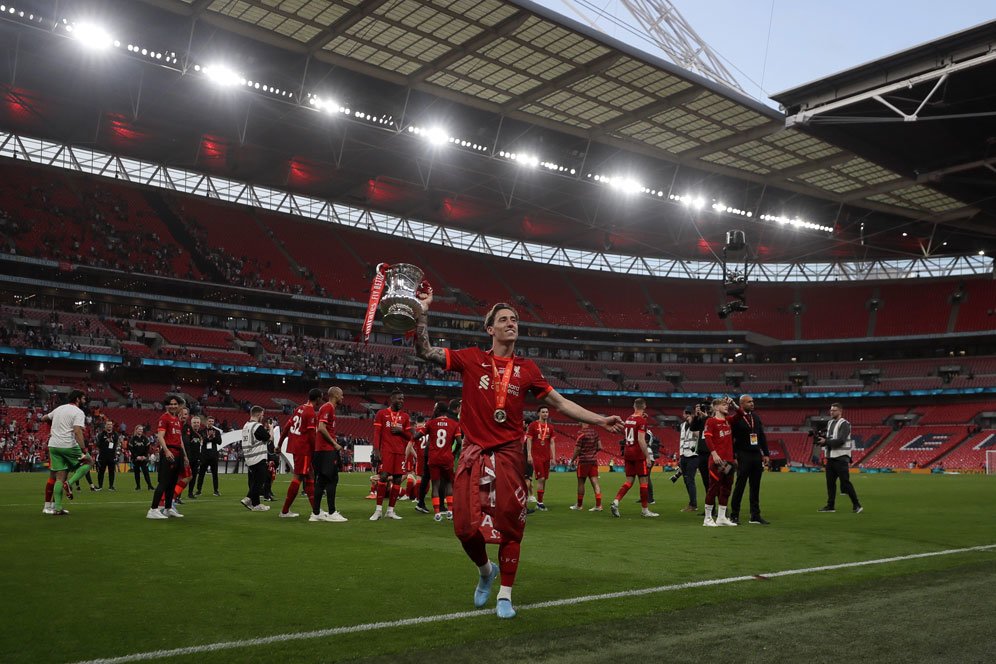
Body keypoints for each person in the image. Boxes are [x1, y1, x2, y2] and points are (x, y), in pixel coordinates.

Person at [415, 297, 623, 619]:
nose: (511, 323)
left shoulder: (527, 369)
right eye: (504, 320)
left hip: (510, 454)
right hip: (473, 452)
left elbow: (559, 402)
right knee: (464, 530)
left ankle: (505, 595)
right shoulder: (470, 359)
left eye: (514, 319)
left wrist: (599, 419)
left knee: (511, 528)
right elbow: (425, 352)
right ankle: (486, 571)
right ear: (490, 329)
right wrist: (422, 313)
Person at [42, 390, 92, 516]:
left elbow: (44, 418)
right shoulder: (78, 412)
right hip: (67, 445)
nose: (85, 401)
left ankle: (58, 508)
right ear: (77, 399)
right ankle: (69, 484)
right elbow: (77, 431)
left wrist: (52, 426)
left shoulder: (59, 409)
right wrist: (83, 449)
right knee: (89, 461)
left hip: (53, 445)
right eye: (83, 399)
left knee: (60, 476)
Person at [610, 398, 658, 518]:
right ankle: (645, 510)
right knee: (643, 481)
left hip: (627, 452)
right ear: (644, 406)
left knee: (629, 481)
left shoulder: (628, 419)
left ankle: (616, 501)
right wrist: (647, 456)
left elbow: (634, 428)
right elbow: (641, 440)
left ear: (634, 406)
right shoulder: (642, 421)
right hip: (638, 453)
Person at [277, 388, 322, 518]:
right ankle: (285, 511)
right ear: (318, 398)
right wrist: (316, 450)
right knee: (298, 477)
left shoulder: (299, 409)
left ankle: (316, 511)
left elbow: (287, 426)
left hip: (296, 445)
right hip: (304, 448)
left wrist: (279, 444)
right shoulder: (310, 413)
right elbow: (311, 436)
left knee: (309, 475)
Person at [416, 400, 461, 522]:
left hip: (433, 456)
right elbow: (460, 441)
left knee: (433, 484)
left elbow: (417, 436)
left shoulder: (431, 423)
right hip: (447, 457)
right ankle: (450, 512)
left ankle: (436, 513)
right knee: (448, 483)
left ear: (437, 410)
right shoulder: (454, 423)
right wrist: (454, 452)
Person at [728, 395, 770, 525]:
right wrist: (734, 456)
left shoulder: (755, 417)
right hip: (743, 454)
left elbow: (761, 436)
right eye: (749, 402)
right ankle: (734, 515)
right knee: (740, 485)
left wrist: (766, 453)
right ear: (741, 404)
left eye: (753, 401)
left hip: (756, 455)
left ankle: (755, 515)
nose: (752, 403)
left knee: (755, 486)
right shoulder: (737, 418)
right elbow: (731, 439)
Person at [370, 389, 412, 521]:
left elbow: (410, 436)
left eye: (403, 399)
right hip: (386, 451)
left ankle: (390, 511)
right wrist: (376, 450)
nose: (401, 401)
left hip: (399, 452)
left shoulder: (405, 417)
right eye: (399, 398)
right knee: (383, 477)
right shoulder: (381, 414)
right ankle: (378, 510)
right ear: (392, 398)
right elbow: (377, 433)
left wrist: (401, 431)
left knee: (398, 479)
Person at [147, 395, 190, 520]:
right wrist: (166, 451)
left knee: (172, 483)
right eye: (171, 404)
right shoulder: (164, 418)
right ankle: (153, 509)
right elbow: (160, 436)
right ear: (167, 405)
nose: (173, 406)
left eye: (175, 404)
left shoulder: (177, 419)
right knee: (164, 482)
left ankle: (168, 508)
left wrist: (185, 456)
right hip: (169, 452)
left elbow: (180, 439)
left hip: (178, 453)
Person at [817, 403, 863, 514]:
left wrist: (826, 441)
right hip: (831, 457)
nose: (831, 412)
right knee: (830, 483)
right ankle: (830, 506)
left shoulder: (845, 423)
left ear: (840, 411)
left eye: (834, 410)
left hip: (841, 457)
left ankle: (856, 505)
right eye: (831, 410)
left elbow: (841, 440)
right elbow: (830, 439)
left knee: (845, 483)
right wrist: (823, 442)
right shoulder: (830, 422)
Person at [312, 386, 348, 522]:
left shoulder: (326, 408)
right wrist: (334, 444)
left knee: (321, 481)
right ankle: (332, 513)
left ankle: (316, 513)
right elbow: (321, 427)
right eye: (341, 395)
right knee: (332, 479)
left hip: (320, 450)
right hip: (326, 450)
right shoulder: (328, 407)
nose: (342, 398)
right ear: (336, 395)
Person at [702, 397, 737, 527]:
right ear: (716, 407)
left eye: (727, 405)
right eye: (724, 405)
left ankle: (721, 518)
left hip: (729, 461)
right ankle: (707, 518)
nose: (727, 407)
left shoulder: (728, 421)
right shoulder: (711, 421)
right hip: (717, 461)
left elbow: (741, 414)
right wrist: (714, 453)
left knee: (726, 489)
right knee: (713, 488)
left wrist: (733, 403)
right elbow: (708, 439)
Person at [239, 406, 272, 512]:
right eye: (262, 415)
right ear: (258, 415)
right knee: (260, 480)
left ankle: (255, 503)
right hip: (258, 457)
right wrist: (271, 428)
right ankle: (249, 499)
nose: (263, 417)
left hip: (249, 457)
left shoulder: (246, 425)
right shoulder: (257, 426)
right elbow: (269, 438)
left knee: (256, 480)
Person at [525, 406, 556, 511]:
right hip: (536, 456)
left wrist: (553, 457)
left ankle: (540, 501)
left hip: (546, 456)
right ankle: (539, 503)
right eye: (543, 412)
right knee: (541, 478)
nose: (545, 414)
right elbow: (529, 440)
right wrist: (529, 454)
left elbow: (552, 442)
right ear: (538, 413)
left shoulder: (550, 427)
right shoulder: (533, 425)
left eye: (547, 412)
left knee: (544, 479)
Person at [569, 422, 603, 511]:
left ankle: (579, 505)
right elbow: (600, 447)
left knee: (581, 483)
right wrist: (592, 453)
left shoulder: (581, 433)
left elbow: (578, 449)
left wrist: (572, 460)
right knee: (595, 483)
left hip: (583, 462)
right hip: (593, 461)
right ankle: (599, 505)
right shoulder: (595, 433)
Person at [677, 407, 701, 513]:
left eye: (684, 413)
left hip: (693, 455)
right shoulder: (682, 425)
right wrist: (680, 456)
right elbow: (682, 441)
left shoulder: (697, 423)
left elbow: (698, 436)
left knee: (690, 480)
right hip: (684, 456)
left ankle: (693, 504)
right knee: (686, 480)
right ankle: (691, 503)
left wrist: (692, 424)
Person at [195, 424, 221, 497]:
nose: (211, 423)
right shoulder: (201, 431)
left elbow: (219, 442)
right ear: (207, 422)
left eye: (212, 421)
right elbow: (201, 441)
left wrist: (214, 437)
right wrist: (209, 437)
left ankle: (216, 490)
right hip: (204, 456)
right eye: (209, 421)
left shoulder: (217, 432)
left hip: (213, 456)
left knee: (215, 474)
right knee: (201, 474)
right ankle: (198, 490)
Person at [95, 419, 122, 491]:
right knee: (101, 471)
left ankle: (111, 486)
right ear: (105, 426)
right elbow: (98, 444)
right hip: (103, 456)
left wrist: (117, 454)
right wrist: (105, 441)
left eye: (111, 424)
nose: (110, 426)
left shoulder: (115, 434)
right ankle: (100, 486)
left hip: (111, 456)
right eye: (108, 424)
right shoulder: (101, 434)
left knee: (111, 471)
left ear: (112, 426)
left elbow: (116, 445)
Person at [125, 424, 154, 491]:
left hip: (143, 458)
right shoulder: (133, 439)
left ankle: (150, 486)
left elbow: (147, 448)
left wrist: (144, 456)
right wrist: (136, 456)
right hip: (135, 458)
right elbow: (131, 449)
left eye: (141, 429)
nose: (140, 431)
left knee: (146, 472)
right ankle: (138, 486)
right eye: (139, 429)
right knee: (136, 473)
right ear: (136, 430)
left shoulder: (145, 438)